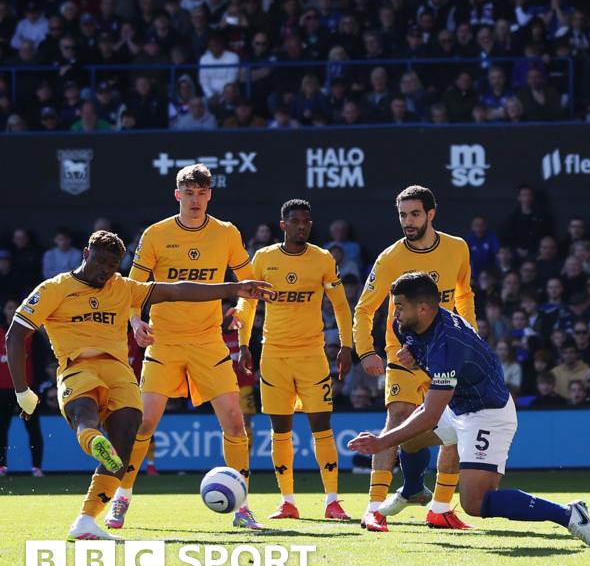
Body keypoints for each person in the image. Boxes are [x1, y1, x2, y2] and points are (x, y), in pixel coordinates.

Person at [6, 230, 270, 540]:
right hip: (78, 368)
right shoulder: (55, 288)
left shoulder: (124, 287)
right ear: (85, 253)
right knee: (84, 412)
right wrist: (22, 389)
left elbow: (176, 291)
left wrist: (235, 288)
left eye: (113, 264)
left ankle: (86, 521)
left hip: (119, 374)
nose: (105, 269)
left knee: (125, 445)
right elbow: (15, 335)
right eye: (101, 261)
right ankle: (92, 441)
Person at [348, 272, 590, 547]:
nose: (395, 314)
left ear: (422, 308)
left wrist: (381, 441)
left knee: (475, 503)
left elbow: (430, 414)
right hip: (458, 405)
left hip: (487, 415)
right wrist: (413, 355)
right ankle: (412, 489)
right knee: (409, 440)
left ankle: (569, 514)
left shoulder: (449, 343)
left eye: (400, 307)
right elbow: (422, 353)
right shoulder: (411, 325)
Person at [108, 164, 264, 531]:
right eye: (189, 193)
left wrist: (241, 312)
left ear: (210, 194)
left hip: (209, 342)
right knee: (143, 423)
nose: (195, 200)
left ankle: (242, 508)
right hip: (164, 341)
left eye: (202, 193)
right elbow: (132, 289)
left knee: (236, 423)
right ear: (177, 195)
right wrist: (135, 321)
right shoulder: (156, 234)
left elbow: (249, 285)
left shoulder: (226, 233)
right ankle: (121, 499)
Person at [353, 186, 476, 532]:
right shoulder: (390, 258)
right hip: (404, 353)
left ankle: (439, 508)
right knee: (398, 417)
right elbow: (364, 309)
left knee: (456, 426)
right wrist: (366, 351)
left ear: (431, 214)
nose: (408, 222)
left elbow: (464, 295)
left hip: (448, 353)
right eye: (403, 215)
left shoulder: (457, 248)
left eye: (415, 214)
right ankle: (374, 508)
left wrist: (472, 339)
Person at [232, 199, 354, 521]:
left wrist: (346, 345)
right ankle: (288, 501)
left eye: (306, 221)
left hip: (312, 355)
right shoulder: (264, 258)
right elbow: (248, 303)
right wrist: (244, 344)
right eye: (295, 221)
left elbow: (340, 305)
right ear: (283, 225)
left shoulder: (323, 259)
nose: (302, 226)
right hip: (273, 354)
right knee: (280, 430)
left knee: (321, 427)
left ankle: (332, 501)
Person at [0, 299, 43, 476]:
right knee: (1, 428)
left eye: (16, 307)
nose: (13, 311)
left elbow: (40, 363)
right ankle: (2, 467)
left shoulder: (32, 334)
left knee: (33, 428)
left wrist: (36, 387)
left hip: (27, 390)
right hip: (2, 391)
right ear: (4, 310)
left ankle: (37, 467)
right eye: (10, 307)